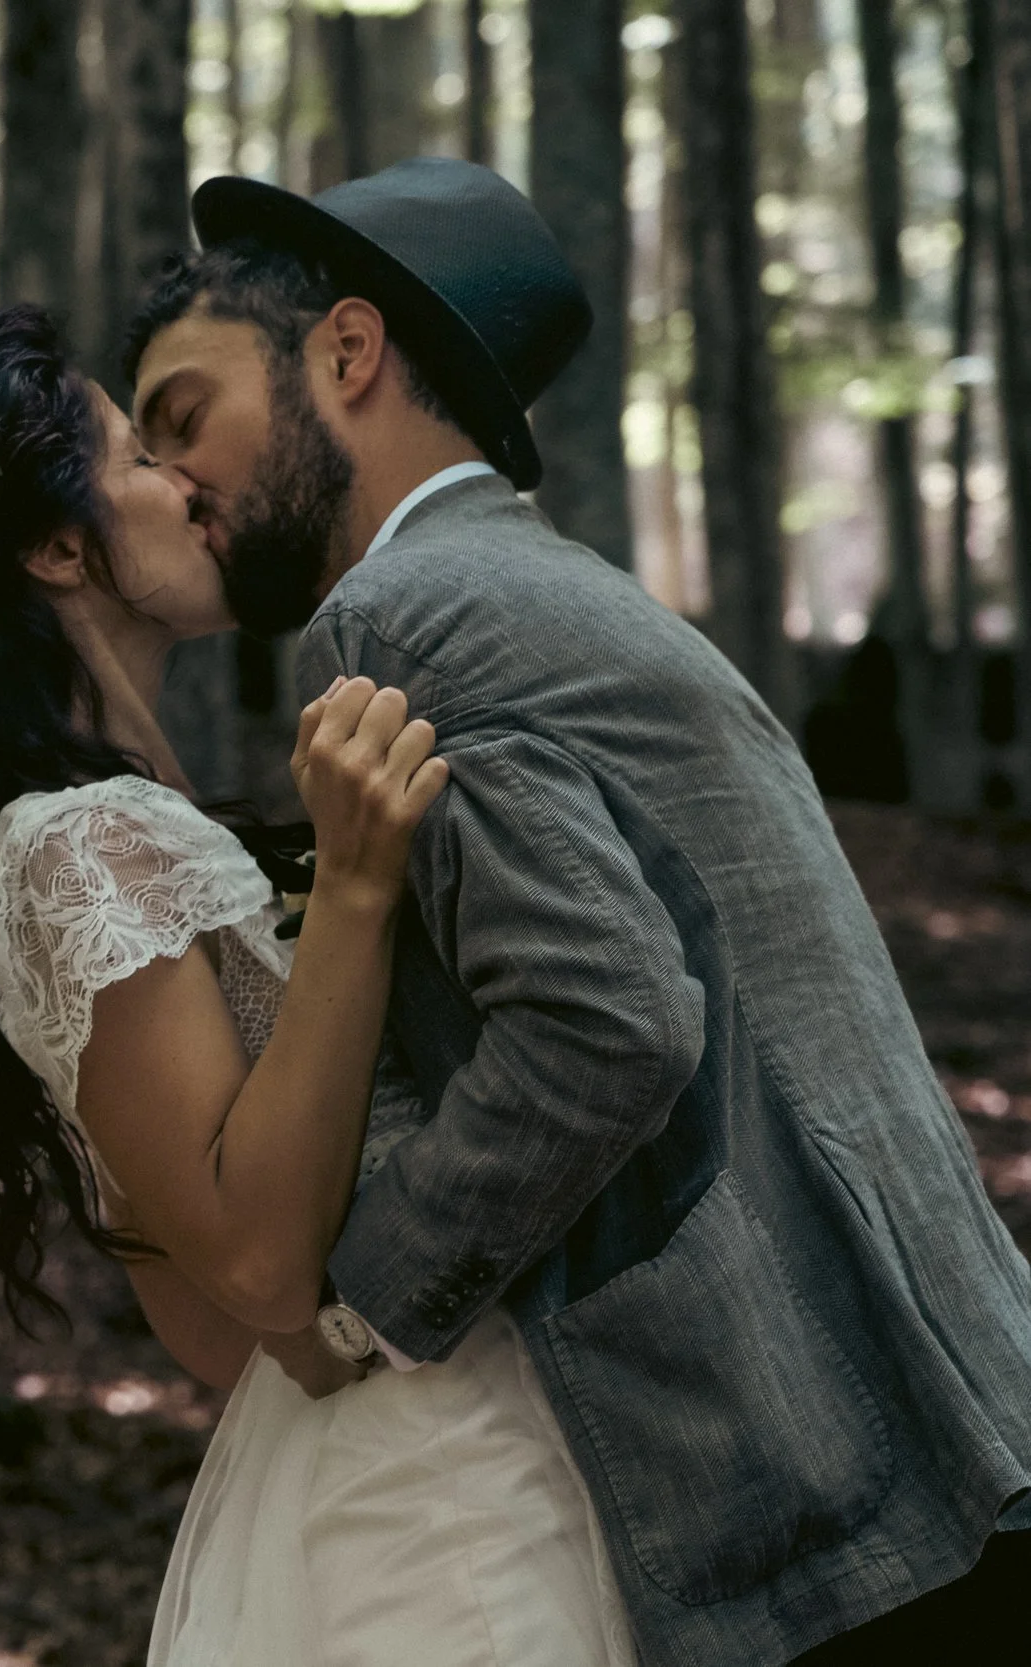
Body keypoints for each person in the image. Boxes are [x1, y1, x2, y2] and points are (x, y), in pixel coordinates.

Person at [124, 156, 1031, 1667]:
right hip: (946, 1426)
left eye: (182, 414)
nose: (172, 484)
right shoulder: (553, 590)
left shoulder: (399, 613)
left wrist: (360, 1304)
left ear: (345, 355)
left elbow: (606, 1018)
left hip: (835, 1478)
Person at [0, 303, 637, 1664]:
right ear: (58, 545)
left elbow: (209, 1317)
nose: (188, 485)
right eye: (141, 457)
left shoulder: (126, 825)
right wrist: (359, 895)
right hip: (426, 1486)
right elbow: (257, 1264)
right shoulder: (82, 846)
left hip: (413, 1438)